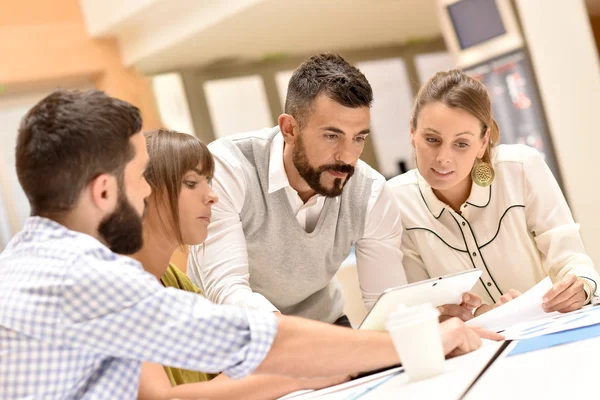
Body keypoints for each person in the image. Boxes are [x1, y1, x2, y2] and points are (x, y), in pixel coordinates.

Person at [0, 89, 500, 399]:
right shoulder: (87, 278)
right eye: (140, 179)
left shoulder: (31, 264)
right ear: (104, 191)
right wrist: (411, 345)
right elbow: (253, 341)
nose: (149, 191)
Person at [188, 53, 407, 326]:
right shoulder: (228, 167)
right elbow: (226, 289)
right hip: (233, 333)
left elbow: (388, 305)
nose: (347, 156)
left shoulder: (371, 191)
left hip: (324, 325)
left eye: (358, 138)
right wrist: (299, 341)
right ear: (289, 129)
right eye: (332, 136)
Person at [136, 128, 348, 399]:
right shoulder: (115, 288)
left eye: (208, 182)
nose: (212, 196)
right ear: (143, 190)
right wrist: (297, 376)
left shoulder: (175, 281)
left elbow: (230, 370)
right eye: (191, 183)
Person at [388, 69, 600, 321]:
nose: (443, 157)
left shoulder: (520, 167)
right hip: (475, 348)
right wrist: (478, 312)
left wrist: (582, 287)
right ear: (412, 131)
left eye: (461, 143)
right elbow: (420, 306)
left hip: (553, 328)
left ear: (482, 141)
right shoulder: (396, 201)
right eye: (432, 139)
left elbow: (571, 258)